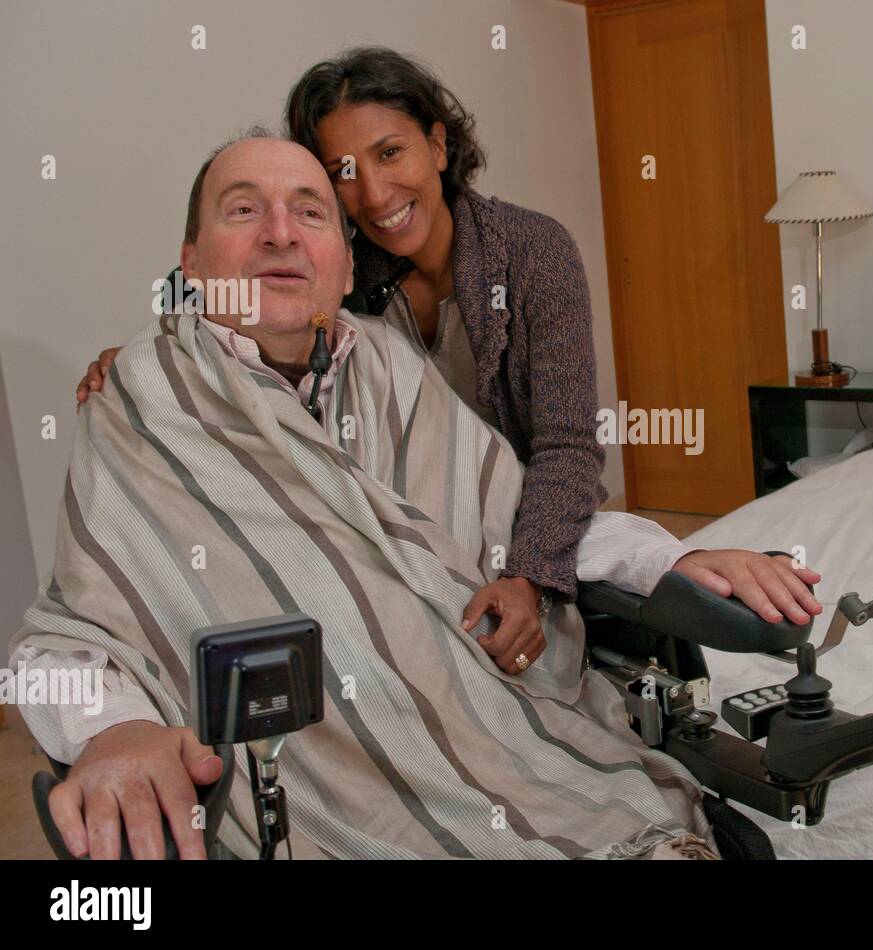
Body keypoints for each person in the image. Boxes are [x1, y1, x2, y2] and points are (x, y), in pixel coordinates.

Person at [17, 132, 822, 860]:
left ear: (340, 261)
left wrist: (674, 556)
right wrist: (113, 730)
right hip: (312, 785)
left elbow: (515, 518)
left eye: (310, 213)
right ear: (190, 262)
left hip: (495, 731)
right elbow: (69, 633)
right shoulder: (142, 399)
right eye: (243, 210)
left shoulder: (392, 366)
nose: (280, 232)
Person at [74, 48, 809, 679]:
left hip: (526, 516)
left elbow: (565, 448)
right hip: (396, 536)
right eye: (344, 172)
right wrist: (152, 349)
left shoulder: (532, 254)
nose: (374, 192)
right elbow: (228, 282)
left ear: (437, 143)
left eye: (390, 153)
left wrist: (528, 577)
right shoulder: (343, 267)